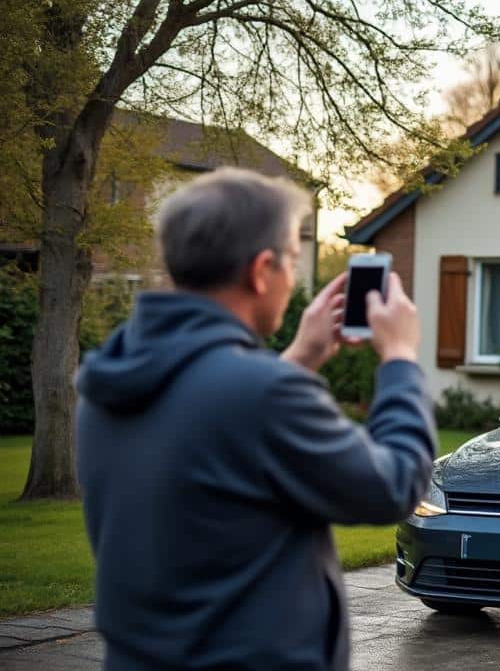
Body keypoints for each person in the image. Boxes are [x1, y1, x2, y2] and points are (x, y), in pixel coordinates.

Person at [76, 168, 437, 670]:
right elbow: (392, 486)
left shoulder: (110, 383)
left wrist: (301, 355)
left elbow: (216, 422)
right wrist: (399, 357)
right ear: (261, 270)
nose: (292, 278)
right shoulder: (262, 394)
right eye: (291, 259)